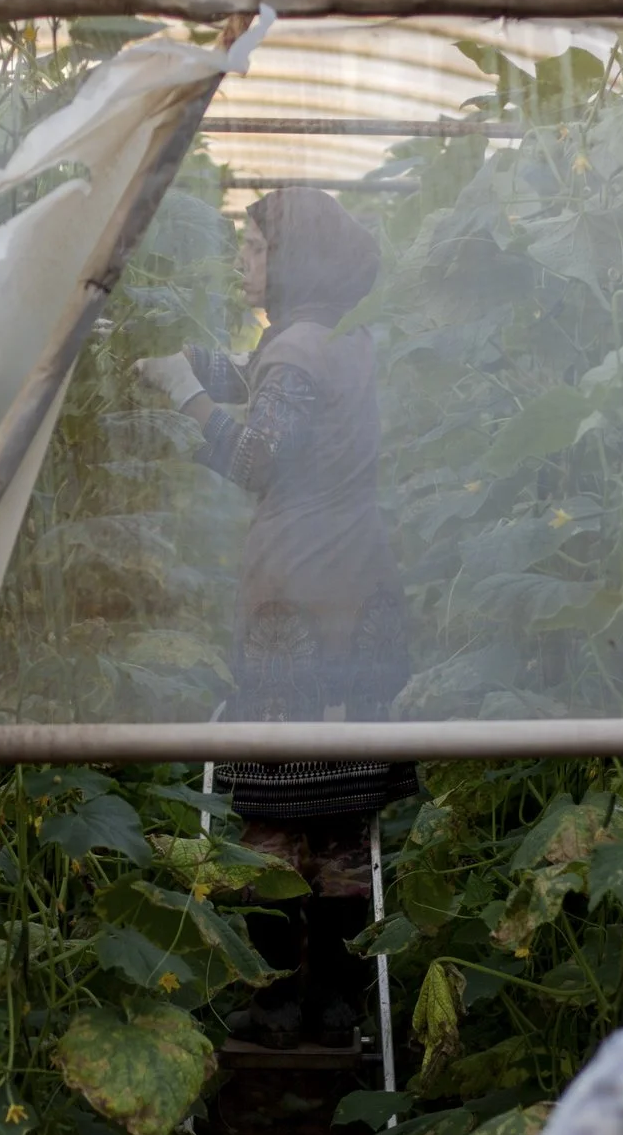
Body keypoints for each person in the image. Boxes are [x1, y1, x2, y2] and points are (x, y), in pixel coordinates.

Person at [133, 188, 413, 1049]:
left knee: (277, 794)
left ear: (288, 262)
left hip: (296, 592)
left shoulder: (292, 353)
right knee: (343, 803)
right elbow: (278, 389)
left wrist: (185, 393)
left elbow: (258, 458)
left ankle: (277, 999)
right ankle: (340, 1000)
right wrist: (213, 365)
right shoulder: (341, 344)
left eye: (252, 248)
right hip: (357, 589)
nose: (242, 261)